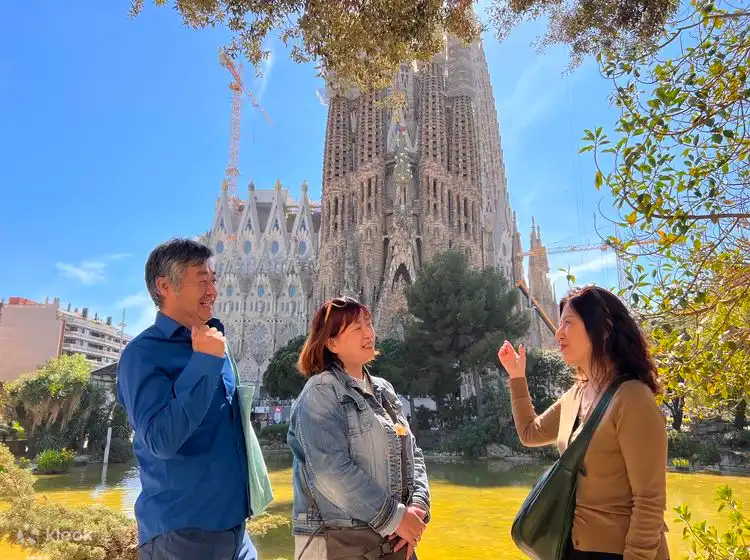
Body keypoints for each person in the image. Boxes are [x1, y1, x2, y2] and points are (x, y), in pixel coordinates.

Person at [498, 285, 669, 560]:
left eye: (568, 323)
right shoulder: (576, 394)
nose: (558, 333)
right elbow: (531, 433)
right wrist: (517, 377)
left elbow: (649, 501)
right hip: (572, 548)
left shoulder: (633, 398)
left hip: (618, 552)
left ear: (603, 328)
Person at [117, 238, 258, 560]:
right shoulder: (144, 354)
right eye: (201, 280)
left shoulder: (215, 346)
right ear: (165, 286)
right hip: (181, 534)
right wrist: (205, 362)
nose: (212, 291)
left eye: (213, 280)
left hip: (235, 528)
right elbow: (160, 439)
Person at [288, 297, 430, 560]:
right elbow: (329, 471)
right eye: (356, 328)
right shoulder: (321, 392)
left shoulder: (384, 391)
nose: (369, 333)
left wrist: (418, 507)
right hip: (338, 540)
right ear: (331, 343)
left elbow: (413, 454)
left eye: (369, 323)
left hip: (394, 542)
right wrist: (396, 517)